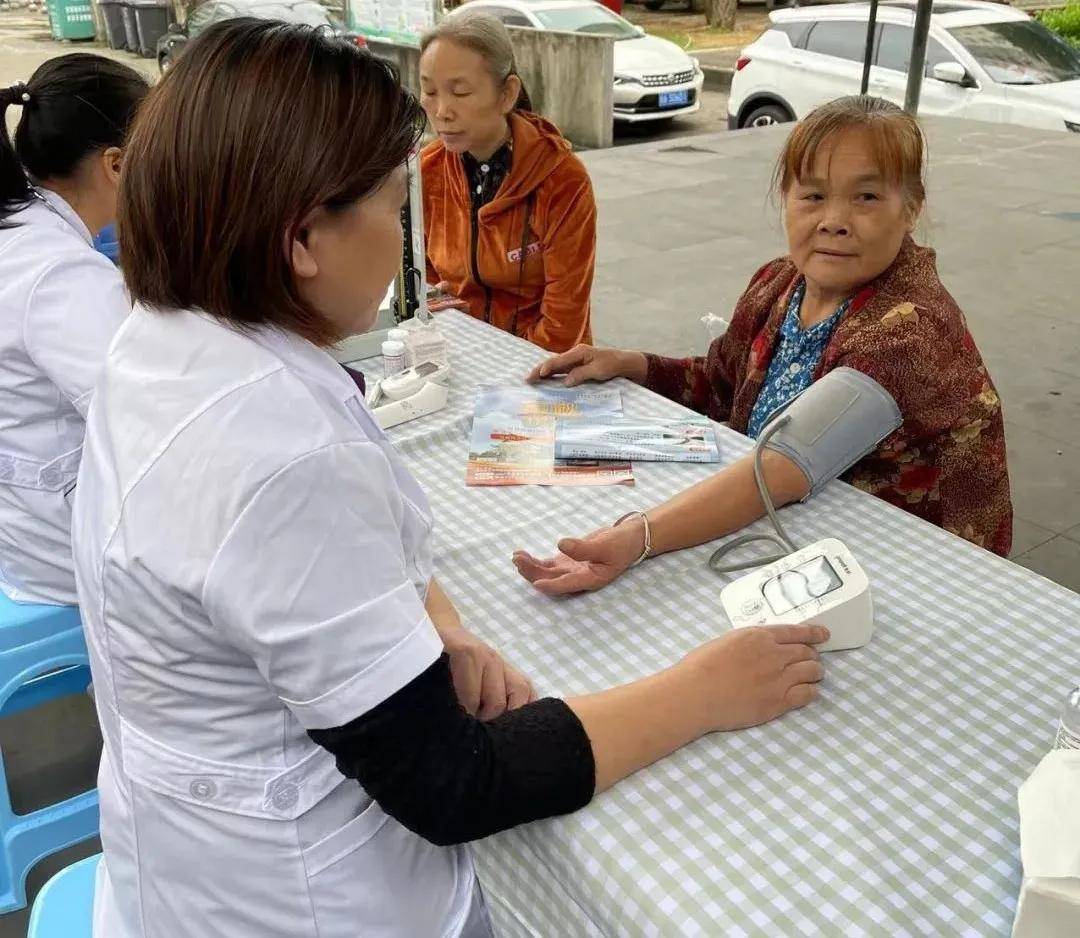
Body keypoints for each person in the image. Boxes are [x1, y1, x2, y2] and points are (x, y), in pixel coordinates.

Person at [72, 20, 827, 938]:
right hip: (291, 899)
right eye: (390, 205)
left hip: (178, 849)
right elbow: (455, 782)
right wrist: (702, 691)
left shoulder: (162, 341)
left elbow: (272, 584)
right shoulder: (278, 451)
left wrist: (437, 624)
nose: (402, 234)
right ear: (303, 237)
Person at [515, 96, 1012, 597]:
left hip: (919, 574)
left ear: (911, 209)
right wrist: (631, 363)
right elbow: (720, 381)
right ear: (786, 198)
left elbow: (779, 467)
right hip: (794, 532)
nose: (834, 220)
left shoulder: (910, 329)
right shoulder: (779, 283)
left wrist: (636, 537)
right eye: (813, 196)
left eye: (866, 197)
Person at [0, 54, 148, 605]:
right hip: (59, 551)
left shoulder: (21, 227)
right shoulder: (60, 274)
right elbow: (143, 419)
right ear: (116, 164)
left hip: (27, 523)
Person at [419, 11, 595, 353]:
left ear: (507, 94)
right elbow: (420, 280)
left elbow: (564, 323)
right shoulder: (426, 171)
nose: (442, 111)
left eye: (460, 92)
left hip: (545, 365)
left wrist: (502, 367)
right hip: (456, 352)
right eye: (429, 91)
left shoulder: (562, 180)